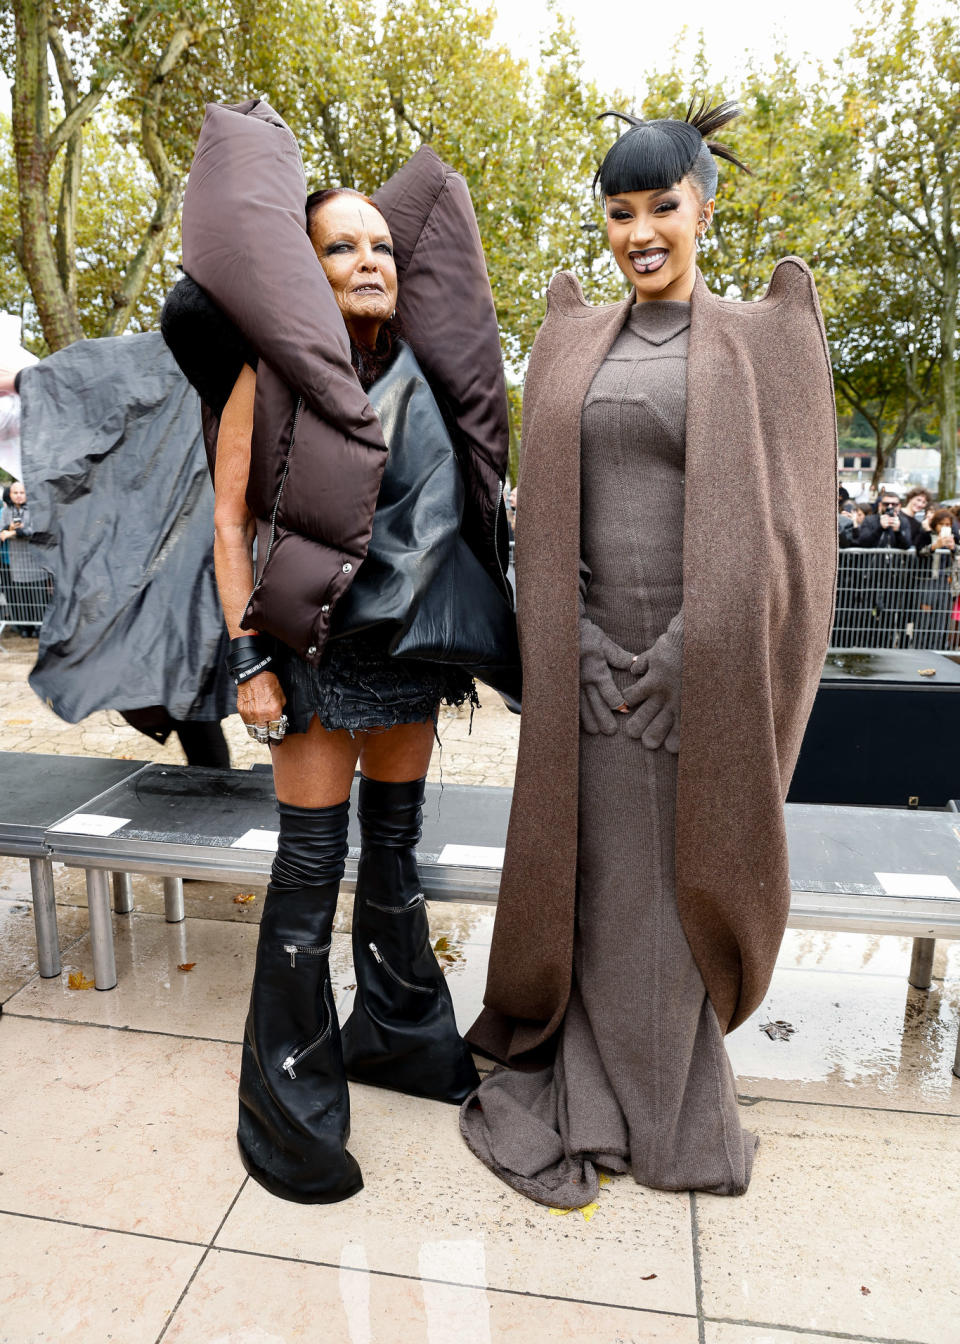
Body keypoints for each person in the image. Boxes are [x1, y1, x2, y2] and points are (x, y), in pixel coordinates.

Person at [459, 101, 837, 1209]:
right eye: (620, 212)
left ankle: (669, 1110)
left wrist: (693, 650)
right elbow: (541, 511)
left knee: (679, 889)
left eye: (661, 205)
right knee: (599, 880)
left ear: (702, 209)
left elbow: (789, 525)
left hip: (700, 680)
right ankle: (585, 1079)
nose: (639, 231)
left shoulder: (762, 338)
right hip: (585, 668)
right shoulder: (573, 336)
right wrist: (562, 636)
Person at [164, 99, 517, 1204]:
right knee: (312, 870)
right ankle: (288, 1109)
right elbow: (228, 527)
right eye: (338, 246)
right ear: (301, 272)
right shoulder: (263, 379)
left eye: (379, 245)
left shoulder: (424, 373)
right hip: (307, 656)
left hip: (411, 658)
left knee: (398, 854)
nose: (367, 259)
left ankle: (401, 1037)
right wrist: (247, 662)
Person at [0, 481, 48, 633]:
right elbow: (2, 530)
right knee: (22, 597)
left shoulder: (35, 509)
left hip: (35, 562)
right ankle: (25, 628)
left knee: (38, 597)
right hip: (17, 562)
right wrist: (8, 529)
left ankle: (41, 627)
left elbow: (35, 530)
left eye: (22, 493)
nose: (19, 496)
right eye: (15, 493)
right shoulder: (7, 511)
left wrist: (13, 533)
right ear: (10, 495)